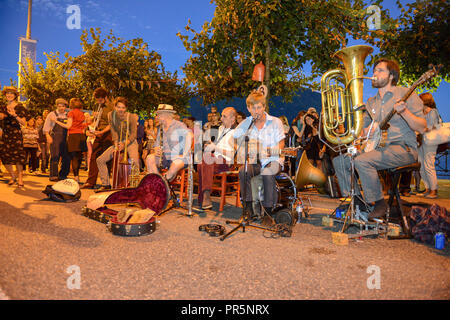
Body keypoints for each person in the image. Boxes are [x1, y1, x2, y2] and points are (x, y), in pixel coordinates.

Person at [332, 58, 426, 220]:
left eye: (380, 70)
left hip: (404, 148)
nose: (374, 74)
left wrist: (404, 112)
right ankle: (357, 201)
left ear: (391, 75)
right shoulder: (371, 102)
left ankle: (378, 202)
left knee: (363, 161)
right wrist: (355, 133)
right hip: (379, 149)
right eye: (374, 71)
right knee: (340, 161)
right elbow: (363, 132)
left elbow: (422, 127)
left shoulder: (406, 94)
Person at [233, 87, 285, 217]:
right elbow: (234, 140)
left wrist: (271, 152)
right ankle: (248, 209)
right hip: (255, 161)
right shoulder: (246, 123)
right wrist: (243, 151)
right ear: (248, 108)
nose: (257, 111)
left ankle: (268, 212)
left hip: (273, 160)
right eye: (253, 108)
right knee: (243, 171)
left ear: (264, 107)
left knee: (268, 172)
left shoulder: (275, 122)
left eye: (259, 107)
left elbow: (281, 145)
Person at [96, 97, 140, 191]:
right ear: (115, 107)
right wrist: (116, 143)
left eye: (123, 107)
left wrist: (125, 144)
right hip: (118, 142)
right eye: (119, 107)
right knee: (100, 160)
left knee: (135, 162)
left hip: (130, 142)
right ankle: (106, 184)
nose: (121, 109)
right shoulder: (110, 115)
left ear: (126, 108)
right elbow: (113, 131)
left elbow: (133, 134)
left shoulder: (131, 117)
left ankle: (135, 187)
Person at [197, 107, 237, 210]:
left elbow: (233, 154)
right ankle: (204, 196)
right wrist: (211, 145)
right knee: (201, 162)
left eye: (224, 116)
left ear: (233, 119)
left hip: (227, 161)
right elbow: (218, 147)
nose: (221, 118)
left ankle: (204, 196)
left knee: (206, 159)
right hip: (216, 159)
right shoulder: (220, 129)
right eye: (222, 116)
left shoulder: (236, 132)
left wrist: (215, 148)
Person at [145, 104, 192, 182]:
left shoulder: (179, 125)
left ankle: (163, 183)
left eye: (158, 115)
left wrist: (184, 153)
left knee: (175, 164)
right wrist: (156, 149)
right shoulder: (161, 128)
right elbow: (156, 145)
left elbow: (189, 136)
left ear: (165, 115)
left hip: (179, 157)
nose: (157, 117)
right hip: (165, 157)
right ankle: (159, 183)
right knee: (149, 158)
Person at [81, 87, 114, 189]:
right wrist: (91, 127)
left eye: (100, 99)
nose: (98, 101)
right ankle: (90, 182)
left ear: (105, 97)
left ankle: (105, 183)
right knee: (94, 156)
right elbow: (96, 120)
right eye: (97, 99)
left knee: (106, 159)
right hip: (98, 133)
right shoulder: (98, 106)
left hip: (108, 134)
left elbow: (112, 124)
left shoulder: (112, 107)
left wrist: (102, 132)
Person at [0, 86, 29, 187]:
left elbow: (24, 122)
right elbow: (1, 117)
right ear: (5, 95)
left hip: (16, 134)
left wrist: (15, 115)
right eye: (7, 93)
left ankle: (20, 178)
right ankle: (13, 176)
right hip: (5, 134)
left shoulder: (20, 107)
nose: (9, 95)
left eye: (11, 93)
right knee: (4, 156)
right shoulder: (2, 107)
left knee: (18, 157)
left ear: (15, 95)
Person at [53, 98, 87, 182]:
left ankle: (76, 177)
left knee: (74, 158)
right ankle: (77, 175)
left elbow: (68, 126)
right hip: (81, 136)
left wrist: (56, 121)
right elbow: (84, 125)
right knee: (79, 158)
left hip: (73, 136)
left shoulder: (71, 113)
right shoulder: (82, 113)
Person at [417, 92, 441, 199]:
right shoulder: (422, 113)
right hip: (422, 141)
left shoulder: (433, 112)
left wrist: (421, 129)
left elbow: (433, 127)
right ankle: (427, 188)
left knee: (429, 165)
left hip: (430, 141)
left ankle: (434, 190)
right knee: (422, 165)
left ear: (424, 101)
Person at [43, 98, 71, 181]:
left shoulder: (68, 115)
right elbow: (46, 126)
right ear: (57, 106)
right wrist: (48, 136)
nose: (61, 108)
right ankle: (53, 175)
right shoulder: (52, 114)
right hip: (55, 137)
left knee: (66, 157)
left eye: (63, 106)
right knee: (55, 156)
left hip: (66, 138)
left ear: (66, 106)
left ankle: (63, 175)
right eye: (59, 106)